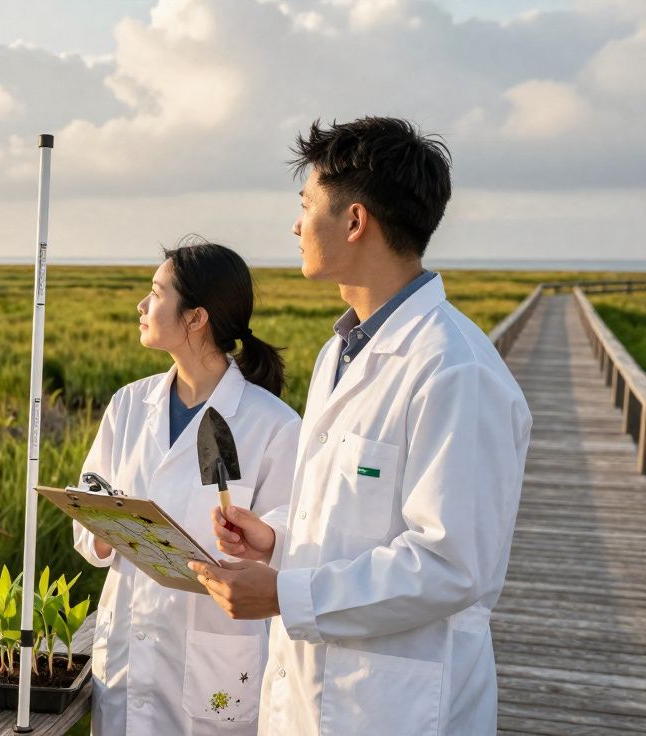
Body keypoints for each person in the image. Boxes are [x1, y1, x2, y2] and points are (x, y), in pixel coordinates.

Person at [191, 117, 532, 735]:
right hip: (314, 696)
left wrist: (284, 596)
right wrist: (277, 539)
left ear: (354, 221)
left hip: (398, 705)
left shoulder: (456, 371)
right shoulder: (341, 352)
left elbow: (452, 564)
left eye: (305, 206)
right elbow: (349, 512)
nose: (296, 226)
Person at [74, 237, 300, 735]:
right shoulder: (129, 405)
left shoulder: (273, 424)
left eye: (155, 292)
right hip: (129, 647)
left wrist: (259, 534)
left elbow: (296, 529)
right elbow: (90, 502)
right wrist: (101, 529)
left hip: (215, 648)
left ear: (196, 318)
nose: (141, 305)